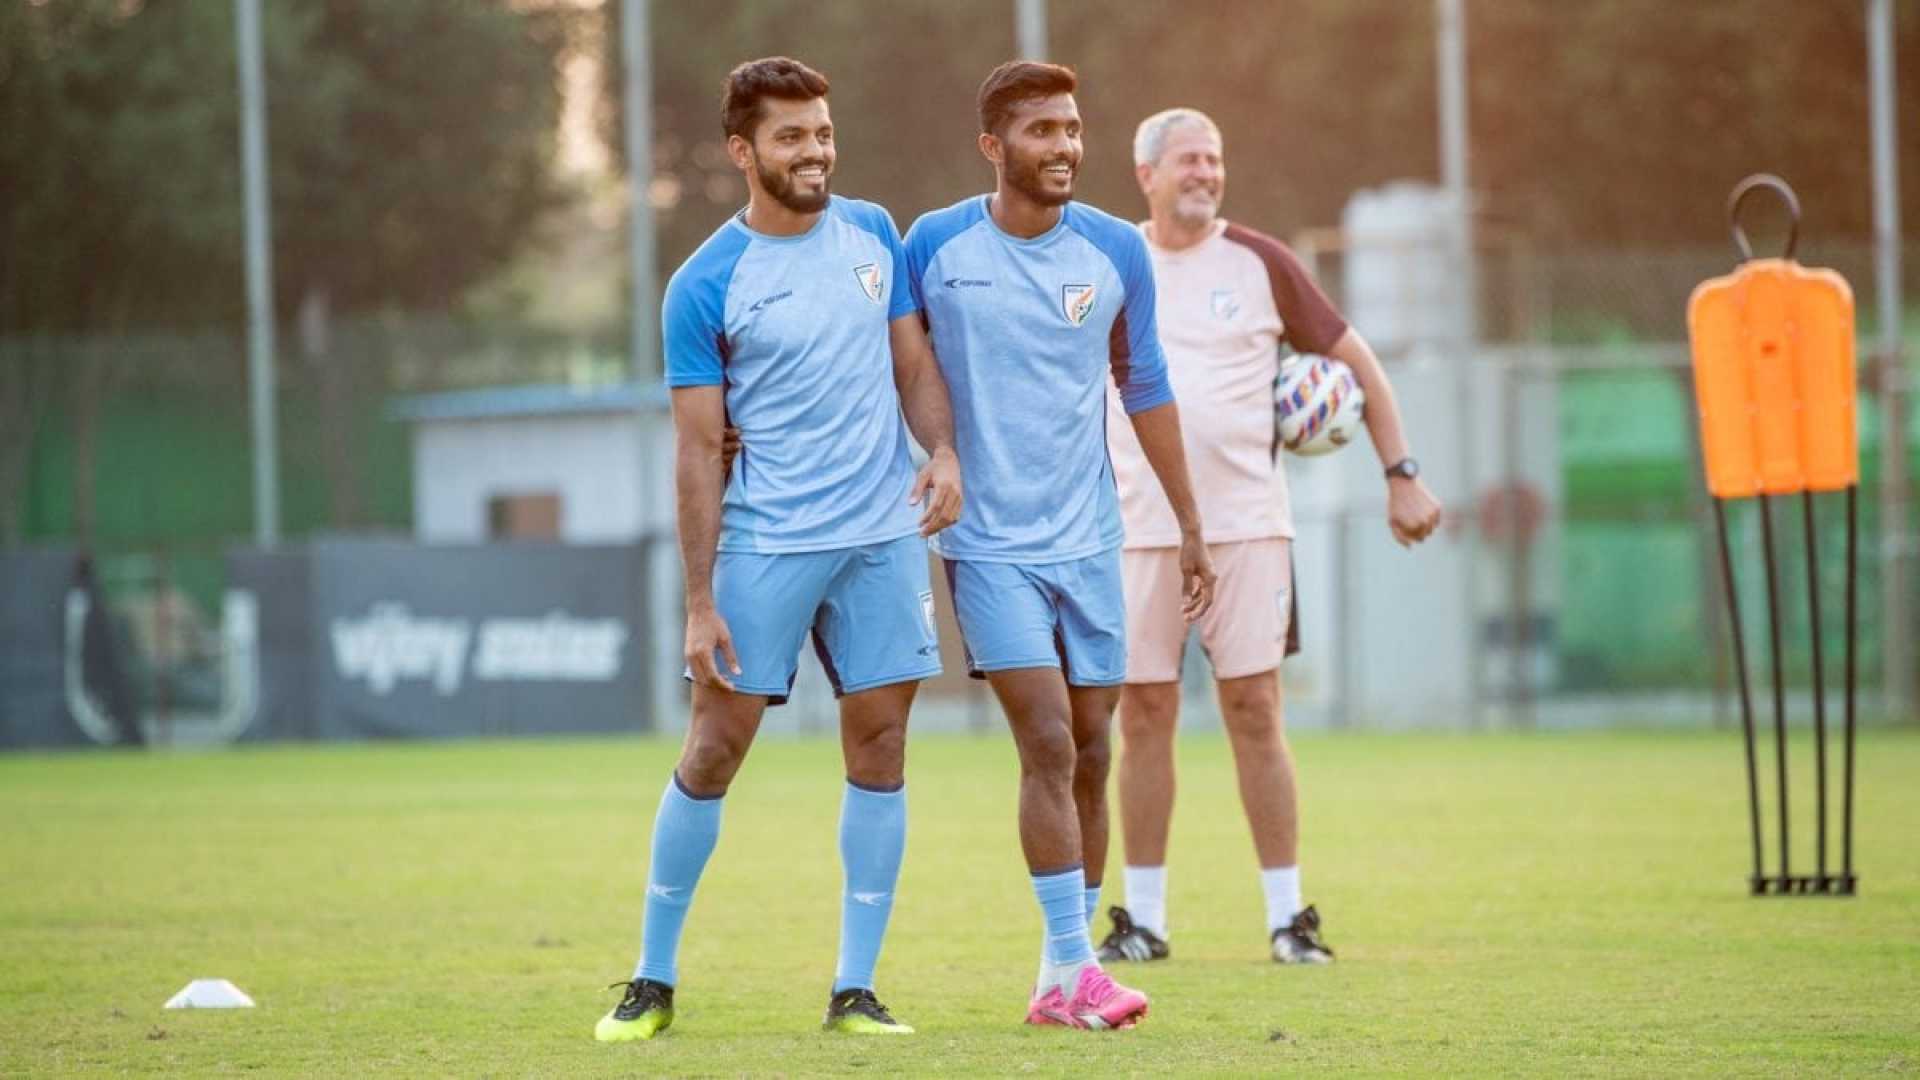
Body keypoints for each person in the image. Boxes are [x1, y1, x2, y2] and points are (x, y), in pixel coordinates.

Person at [595, 56, 962, 1042]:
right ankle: (651, 980)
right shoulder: (705, 283)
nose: (815, 152)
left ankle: (855, 989)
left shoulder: (875, 234)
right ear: (741, 151)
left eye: (823, 132)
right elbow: (695, 453)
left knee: (881, 746)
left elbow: (912, 364)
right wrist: (700, 599)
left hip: (882, 538)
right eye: (792, 136)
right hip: (768, 545)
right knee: (715, 748)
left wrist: (943, 454)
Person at [903, 61, 1216, 1031]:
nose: (1065, 148)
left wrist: (1191, 524)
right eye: (1042, 131)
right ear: (995, 146)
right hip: (988, 544)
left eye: (1074, 129)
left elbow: (1147, 385)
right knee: (1043, 741)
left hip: (1092, 541)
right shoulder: (935, 245)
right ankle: (1082, 972)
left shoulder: (1117, 250)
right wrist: (939, 454)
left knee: (1089, 752)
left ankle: (1056, 977)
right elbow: (894, 362)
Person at [1095, 108, 1443, 967]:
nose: (1205, 173)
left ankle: (1289, 919)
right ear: (1146, 174)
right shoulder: (1110, 262)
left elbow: (1359, 364)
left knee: (1255, 710)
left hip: (1249, 530)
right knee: (1143, 717)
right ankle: (1143, 921)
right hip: (1135, 531)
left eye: (1215, 159)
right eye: (1188, 161)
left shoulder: (1260, 262)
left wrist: (1401, 474)